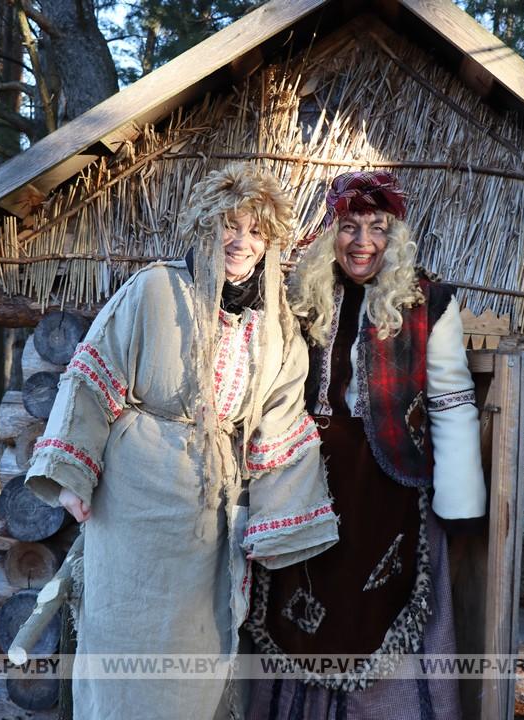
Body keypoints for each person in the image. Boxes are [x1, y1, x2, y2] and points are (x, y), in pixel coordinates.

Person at [25, 164, 339, 719]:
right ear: (205, 224)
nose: (241, 242)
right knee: (122, 639)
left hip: (209, 518)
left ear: (271, 243)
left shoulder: (278, 325)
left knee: (196, 650)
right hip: (131, 505)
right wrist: (71, 478)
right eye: (230, 225)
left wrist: (277, 522)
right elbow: (93, 379)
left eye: (257, 232)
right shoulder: (154, 288)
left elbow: (281, 420)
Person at [246, 171, 486, 719]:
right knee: (300, 606)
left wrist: (460, 502)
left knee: (378, 606)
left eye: (378, 228)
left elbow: (450, 400)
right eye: (350, 227)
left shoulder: (429, 302)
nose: (363, 243)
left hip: (389, 479)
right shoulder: (302, 296)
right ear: (332, 232)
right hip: (306, 477)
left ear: (395, 235)